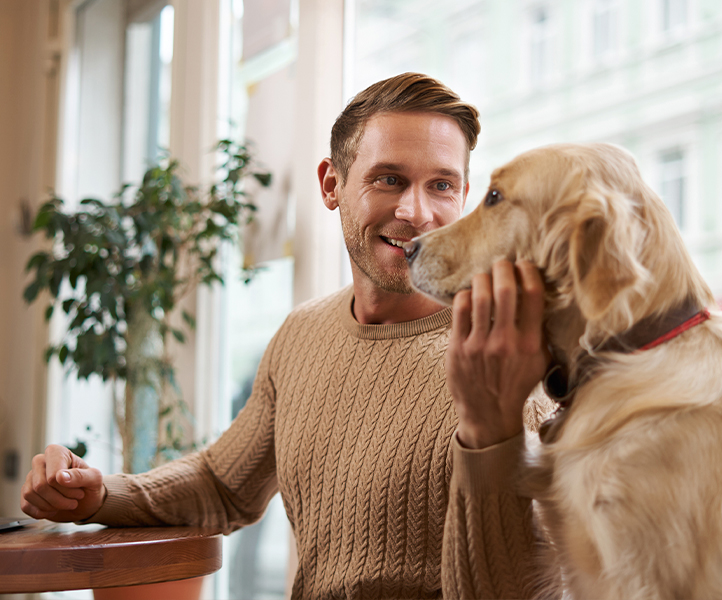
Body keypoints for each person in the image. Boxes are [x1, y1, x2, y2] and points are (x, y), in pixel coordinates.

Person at [21, 72, 559, 599]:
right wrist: (99, 494)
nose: (415, 212)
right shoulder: (304, 332)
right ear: (332, 184)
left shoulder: (503, 354)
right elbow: (222, 485)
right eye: (388, 178)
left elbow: (526, 585)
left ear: (463, 195)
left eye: (441, 185)